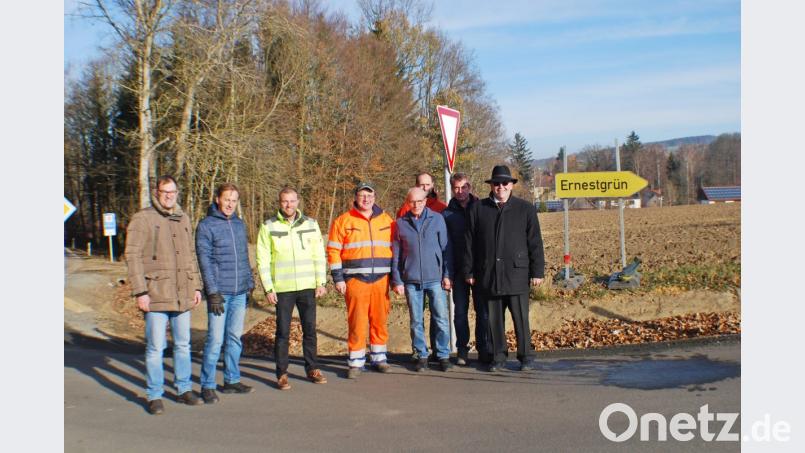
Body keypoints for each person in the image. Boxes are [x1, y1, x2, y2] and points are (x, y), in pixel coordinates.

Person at [124, 175, 204, 415]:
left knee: (183, 345)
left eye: (172, 192)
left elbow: (191, 254)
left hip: (182, 293)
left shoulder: (183, 218)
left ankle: (184, 389)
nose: (169, 196)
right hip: (155, 293)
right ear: (157, 193)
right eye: (164, 192)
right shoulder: (143, 218)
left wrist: (196, 286)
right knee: (155, 347)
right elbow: (132, 256)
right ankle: (154, 394)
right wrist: (140, 291)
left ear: (177, 193)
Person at [463, 165, 545, 372]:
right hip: (489, 274)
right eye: (496, 183)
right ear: (491, 186)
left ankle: (526, 356)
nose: (501, 187)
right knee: (494, 321)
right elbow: (469, 243)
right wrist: (469, 271)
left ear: (511, 185)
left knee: (521, 319)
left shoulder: (525, 209)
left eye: (505, 183)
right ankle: (498, 357)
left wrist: (537, 271)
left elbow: (535, 242)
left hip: (517, 274)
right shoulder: (478, 209)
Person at [256, 187, 328, 390]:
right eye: (285, 201)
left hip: (307, 286)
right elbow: (263, 260)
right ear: (280, 203)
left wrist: (321, 282)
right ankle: (282, 373)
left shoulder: (311, 224)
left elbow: (318, 255)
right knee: (283, 333)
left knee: (310, 330)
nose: (289, 205)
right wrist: (268, 288)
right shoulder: (268, 226)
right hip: (283, 288)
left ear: (298, 201)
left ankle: (312, 368)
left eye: (292, 201)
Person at [327, 182, 394, 379]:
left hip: (382, 279)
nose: (366, 199)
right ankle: (356, 361)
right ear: (356, 197)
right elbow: (333, 251)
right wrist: (338, 278)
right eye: (362, 195)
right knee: (357, 321)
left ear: (375, 198)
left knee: (380, 320)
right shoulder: (343, 221)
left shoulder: (386, 220)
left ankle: (379, 358)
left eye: (369, 195)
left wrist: (395, 278)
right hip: (355, 280)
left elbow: (395, 249)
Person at [196, 182, 255, 404]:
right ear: (217, 199)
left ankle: (231, 380)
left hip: (239, 292)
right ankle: (207, 384)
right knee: (215, 340)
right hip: (220, 294)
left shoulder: (239, 224)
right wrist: (212, 292)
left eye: (234, 200)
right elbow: (204, 260)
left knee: (234, 338)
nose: (230, 204)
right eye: (227, 199)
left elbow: (244, 257)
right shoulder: (206, 225)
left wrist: (249, 284)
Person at [392, 187, 454, 372]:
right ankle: (421, 355)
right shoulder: (400, 223)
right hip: (411, 280)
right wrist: (397, 280)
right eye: (412, 201)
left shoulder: (437, 219)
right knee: (416, 321)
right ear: (407, 202)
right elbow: (396, 254)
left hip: (435, 279)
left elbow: (446, 249)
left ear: (425, 201)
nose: (416, 205)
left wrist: (447, 275)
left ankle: (443, 355)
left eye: (420, 201)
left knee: (441, 319)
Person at [442, 172, 487, 366]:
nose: (460, 191)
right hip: (459, 271)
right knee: (460, 312)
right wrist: (448, 273)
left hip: (480, 270)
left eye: (464, 187)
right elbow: (446, 246)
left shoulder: (482, 208)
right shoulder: (446, 215)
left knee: (482, 311)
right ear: (452, 189)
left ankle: (483, 348)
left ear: (470, 187)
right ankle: (462, 349)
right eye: (456, 188)